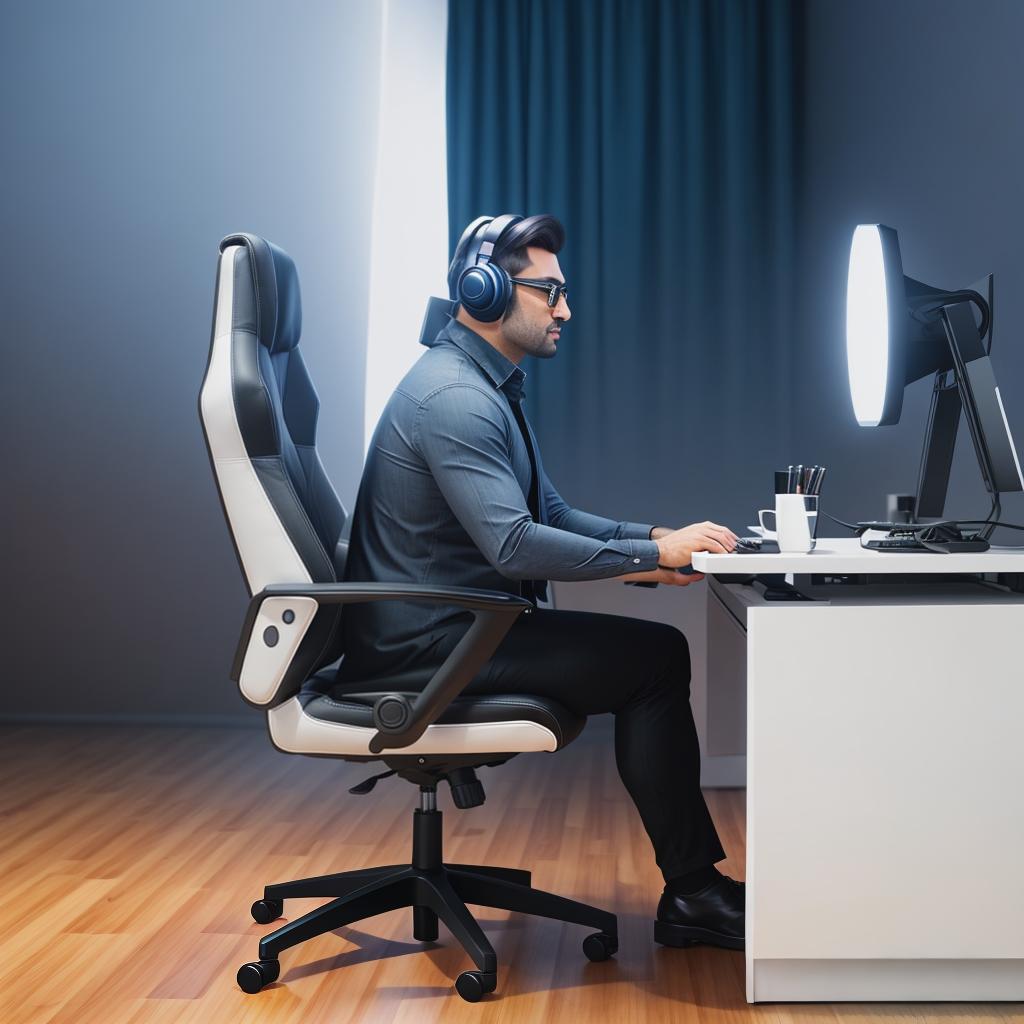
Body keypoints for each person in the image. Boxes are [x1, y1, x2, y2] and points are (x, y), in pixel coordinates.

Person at [336, 213, 745, 950]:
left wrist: (655, 541)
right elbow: (516, 545)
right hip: (429, 648)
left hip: (455, 627)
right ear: (485, 291)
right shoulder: (454, 399)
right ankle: (695, 896)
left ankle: (696, 891)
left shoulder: (485, 385)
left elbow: (547, 512)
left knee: (653, 656)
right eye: (548, 291)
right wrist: (651, 562)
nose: (565, 310)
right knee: (655, 662)